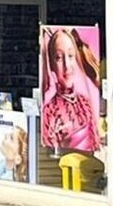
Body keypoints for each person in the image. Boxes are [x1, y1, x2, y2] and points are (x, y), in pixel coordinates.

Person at [39, 26, 103, 155]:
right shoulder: (50, 110)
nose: (67, 65)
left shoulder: (85, 103)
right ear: (51, 64)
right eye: (59, 57)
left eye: (71, 56)